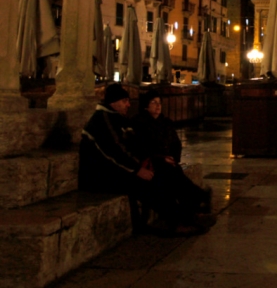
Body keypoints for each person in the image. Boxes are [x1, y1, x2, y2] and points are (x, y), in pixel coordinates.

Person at [79, 83, 209, 236]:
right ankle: (176, 221)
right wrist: (138, 169)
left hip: (120, 169)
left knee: (165, 169)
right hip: (102, 176)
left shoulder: (117, 118)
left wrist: (155, 159)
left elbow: (135, 145)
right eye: (125, 101)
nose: (128, 104)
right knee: (149, 183)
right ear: (113, 102)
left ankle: (190, 211)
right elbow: (115, 151)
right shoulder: (102, 120)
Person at [131, 89, 212, 224]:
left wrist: (173, 158)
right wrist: (162, 158)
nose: (158, 106)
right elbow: (142, 148)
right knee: (172, 176)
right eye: (154, 102)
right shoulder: (140, 123)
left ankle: (194, 207)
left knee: (175, 173)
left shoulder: (166, 123)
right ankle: (197, 202)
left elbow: (176, 144)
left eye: (159, 103)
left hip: (167, 162)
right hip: (154, 164)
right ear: (146, 105)